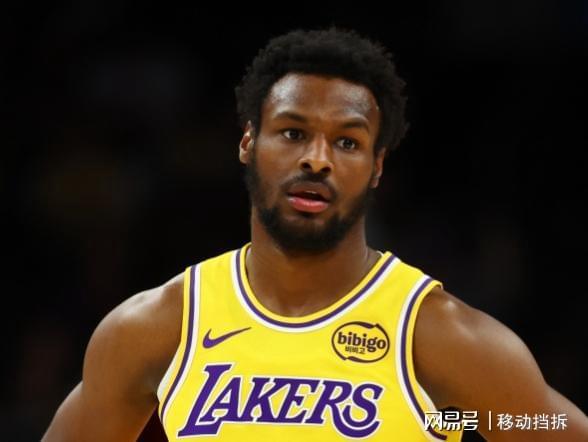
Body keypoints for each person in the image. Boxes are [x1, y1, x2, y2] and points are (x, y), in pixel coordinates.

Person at [43, 28, 587, 442]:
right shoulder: (157, 327)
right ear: (248, 142)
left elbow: (537, 423)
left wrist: (470, 417)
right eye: (293, 132)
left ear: (377, 167)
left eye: (347, 142)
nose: (317, 159)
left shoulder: (440, 335)